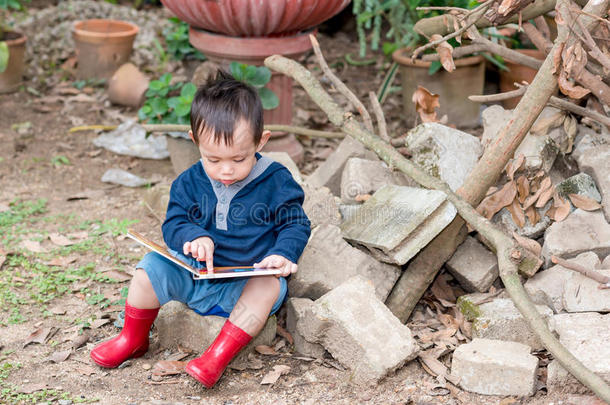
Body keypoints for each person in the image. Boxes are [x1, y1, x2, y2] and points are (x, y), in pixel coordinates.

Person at [90, 70, 311, 388]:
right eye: (213, 159)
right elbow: (174, 224)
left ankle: (217, 356)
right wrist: (193, 237)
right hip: (195, 275)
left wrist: (281, 254)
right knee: (148, 269)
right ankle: (132, 338)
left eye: (239, 158)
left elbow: (295, 222)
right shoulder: (189, 182)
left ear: (261, 141)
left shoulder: (276, 181)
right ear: (195, 142)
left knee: (270, 286)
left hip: (242, 285)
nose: (226, 170)